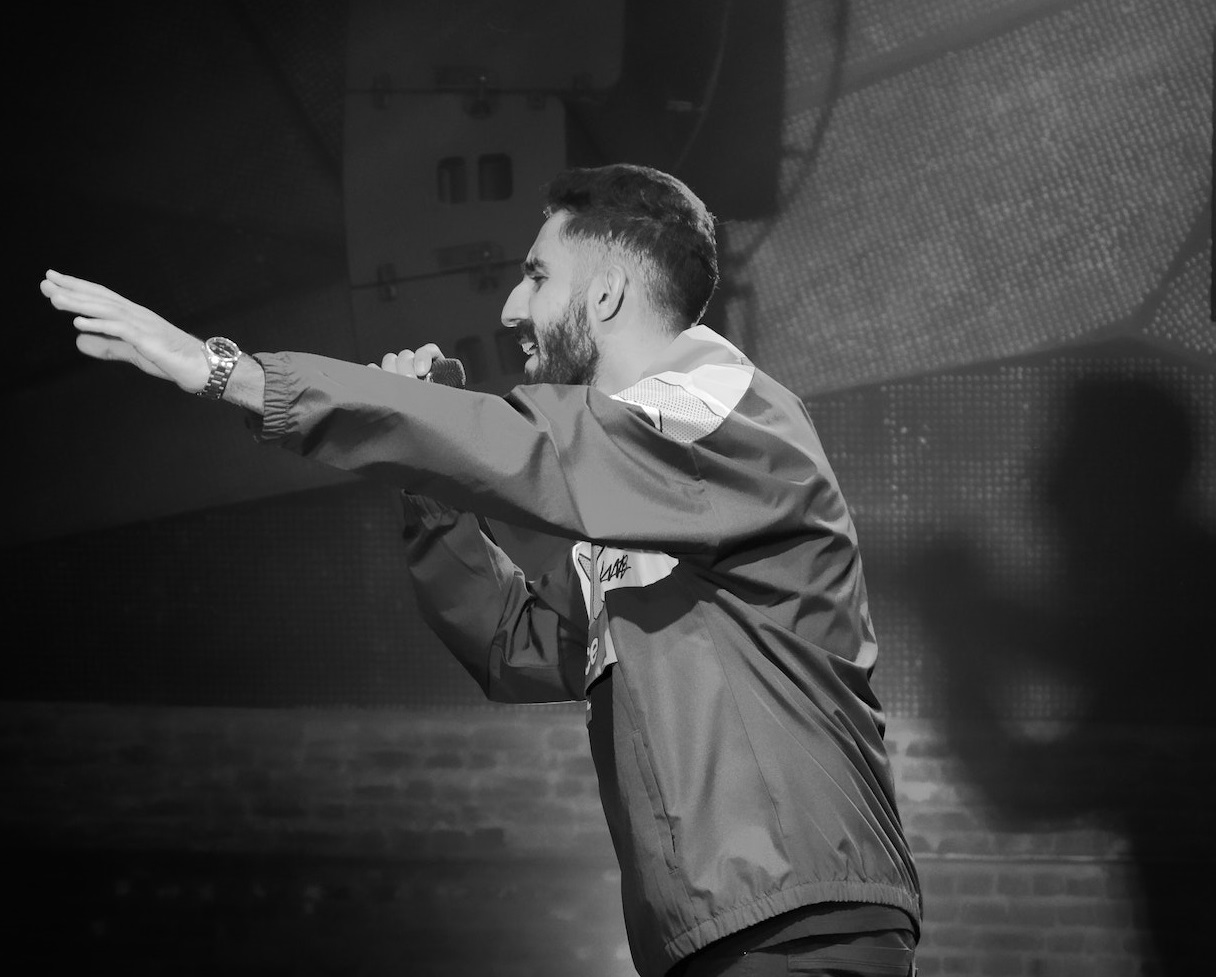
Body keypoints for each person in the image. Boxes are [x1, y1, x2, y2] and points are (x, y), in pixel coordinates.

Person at [41, 163, 922, 977]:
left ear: (608, 290)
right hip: (727, 935)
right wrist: (429, 490)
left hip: (801, 926)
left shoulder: (726, 418)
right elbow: (517, 645)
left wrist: (229, 374)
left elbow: (531, 449)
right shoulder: (655, 482)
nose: (509, 306)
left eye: (537, 275)